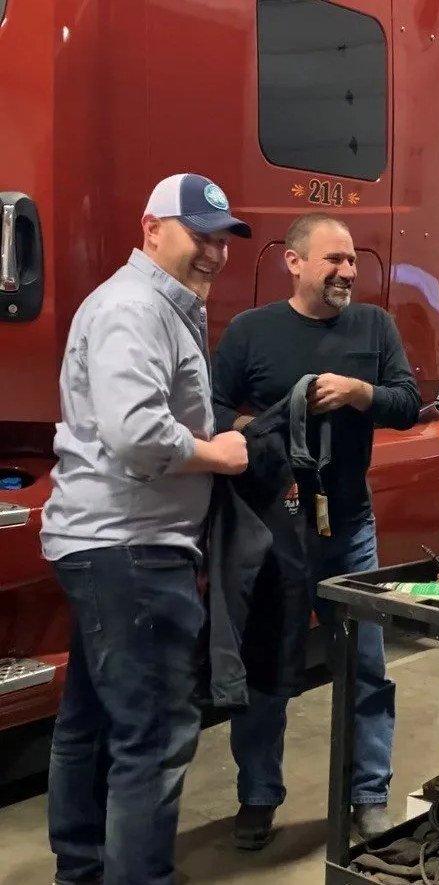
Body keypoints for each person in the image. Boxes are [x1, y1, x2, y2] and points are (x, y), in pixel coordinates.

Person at [40, 173, 252, 885]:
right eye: (201, 235)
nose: (215, 253)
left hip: (106, 542)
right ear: (150, 227)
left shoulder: (159, 307)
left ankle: (84, 869)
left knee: (93, 721)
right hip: (131, 547)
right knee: (154, 737)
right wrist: (216, 451)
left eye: (223, 239)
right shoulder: (135, 308)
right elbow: (135, 434)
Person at [211, 211, 422, 848]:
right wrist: (256, 432)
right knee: (268, 662)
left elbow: (409, 403)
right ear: (294, 262)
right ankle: (257, 796)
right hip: (276, 526)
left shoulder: (373, 326)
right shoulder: (251, 332)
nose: (347, 271)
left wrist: (364, 393)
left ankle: (369, 794)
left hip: (350, 524)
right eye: (333, 259)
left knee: (365, 664)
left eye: (352, 260)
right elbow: (214, 410)